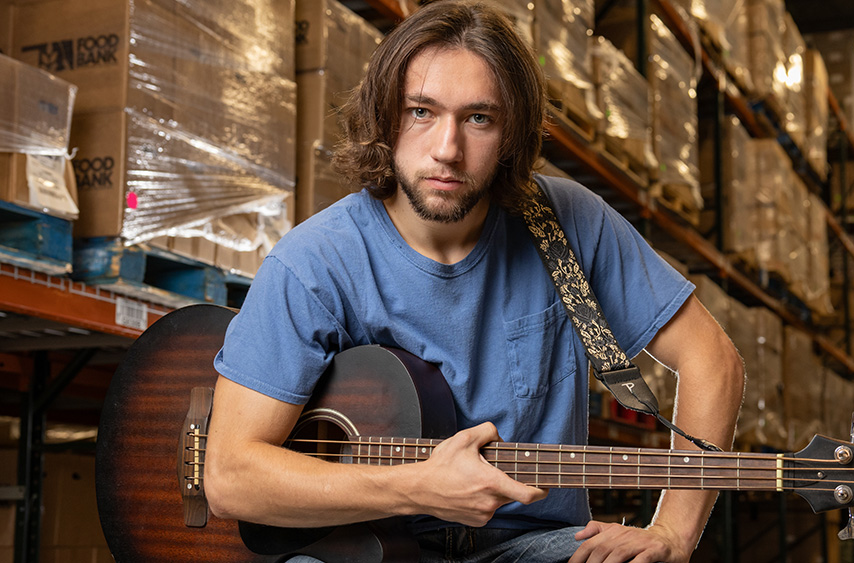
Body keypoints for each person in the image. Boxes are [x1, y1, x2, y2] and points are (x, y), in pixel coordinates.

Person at [205, 1, 745, 562]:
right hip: (364, 543)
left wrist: (673, 534)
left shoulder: (568, 225)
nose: (447, 149)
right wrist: (414, 486)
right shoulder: (316, 261)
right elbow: (229, 475)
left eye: (479, 118)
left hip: (531, 542)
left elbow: (713, 360)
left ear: (512, 132)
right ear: (383, 116)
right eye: (420, 111)